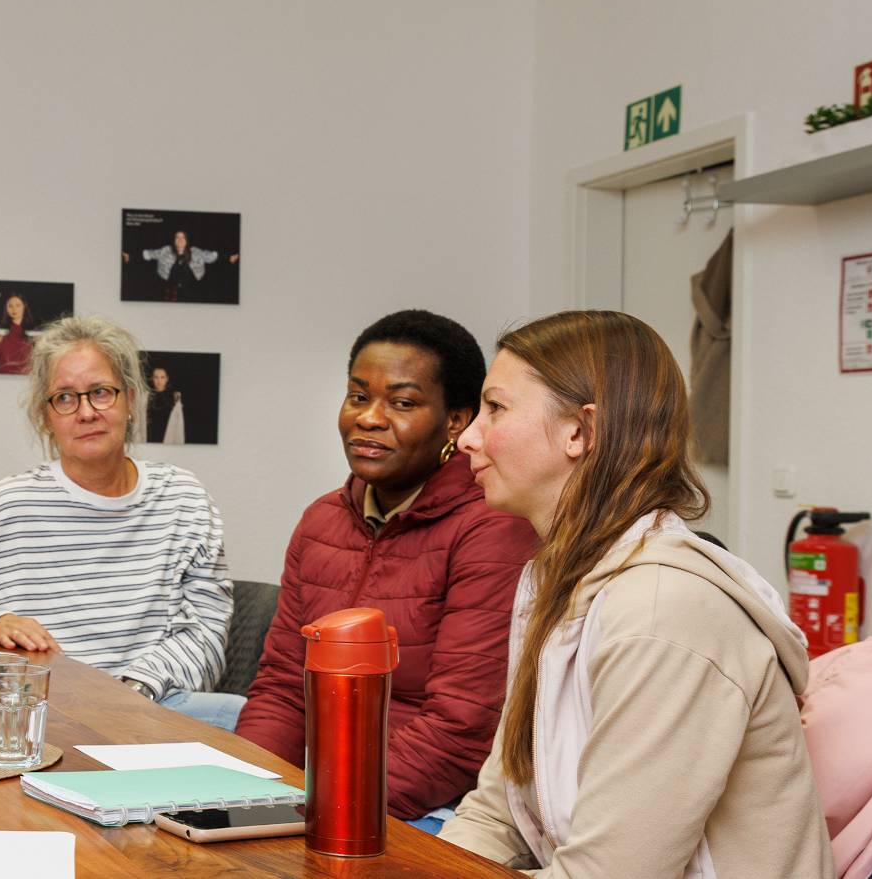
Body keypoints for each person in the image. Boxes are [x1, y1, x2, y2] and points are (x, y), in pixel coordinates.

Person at [438, 310, 830, 878]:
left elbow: (610, 873)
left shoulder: (662, 609)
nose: (468, 436)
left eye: (495, 408)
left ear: (581, 431)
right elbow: (500, 809)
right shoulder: (552, 582)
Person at [233, 310, 535, 835]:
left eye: (403, 403)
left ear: (457, 421)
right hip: (315, 789)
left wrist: (316, 813)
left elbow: (460, 731)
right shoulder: (321, 519)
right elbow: (283, 687)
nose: (369, 418)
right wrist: (239, 798)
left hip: (429, 802)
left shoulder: (492, 527)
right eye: (357, 396)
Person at [0, 313, 240, 730]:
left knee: (265, 725)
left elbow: (206, 633)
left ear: (130, 399)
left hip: (154, 704)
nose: (86, 412)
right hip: (39, 715)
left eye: (101, 393)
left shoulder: (184, 499)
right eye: (65, 398)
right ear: (46, 417)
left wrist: (129, 692)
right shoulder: (9, 506)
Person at [125, 230, 237, 301]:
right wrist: (130, 257)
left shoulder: (195, 252)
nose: (180, 240)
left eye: (183, 237)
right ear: (174, 240)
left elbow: (211, 256)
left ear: (187, 240)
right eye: (177, 237)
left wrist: (229, 258)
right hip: (169, 292)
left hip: (192, 292)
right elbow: (149, 254)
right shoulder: (166, 251)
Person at [0, 293, 33, 374]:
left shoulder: (33, 332)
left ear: (24, 307)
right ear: (6, 308)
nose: (14, 309)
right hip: (1, 378)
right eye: (10, 306)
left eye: (18, 305)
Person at [145, 363, 186, 445]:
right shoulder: (145, 397)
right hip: (149, 438)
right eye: (156, 377)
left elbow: (178, 424)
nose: (159, 381)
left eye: (162, 377)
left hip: (167, 438)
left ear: (167, 379)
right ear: (152, 378)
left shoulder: (175, 397)